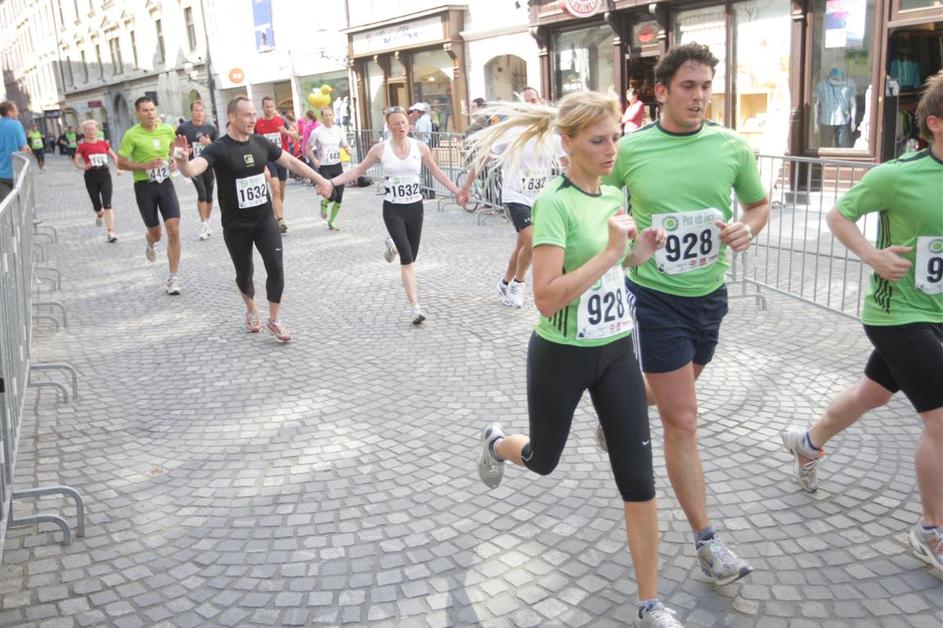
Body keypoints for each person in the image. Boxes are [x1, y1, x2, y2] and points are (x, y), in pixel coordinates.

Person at [473, 91, 684, 628]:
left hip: (615, 352)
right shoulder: (553, 204)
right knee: (543, 459)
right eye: (598, 141)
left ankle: (651, 603)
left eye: (616, 138)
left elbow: (616, 268)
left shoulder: (612, 194)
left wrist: (641, 251)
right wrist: (613, 252)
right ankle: (497, 444)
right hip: (561, 355)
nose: (612, 149)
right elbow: (546, 297)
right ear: (567, 144)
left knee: (639, 480)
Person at [601, 43, 770, 586]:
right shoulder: (632, 149)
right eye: (688, 87)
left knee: (670, 394)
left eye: (705, 87)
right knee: (683, 419)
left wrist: (747, 228)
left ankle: (620, 405)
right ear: (662, 92)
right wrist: (622, 235)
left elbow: (758, 205)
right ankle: (707, 542)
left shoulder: (730, 147)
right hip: (653, 297)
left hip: (709, 296)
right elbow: (600, 203)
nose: (699, 97)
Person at [782, 71, 943, 574]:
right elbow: (839, 215)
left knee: (872, 394)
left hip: (938, 312)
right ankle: (930, 531)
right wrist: (873, 255)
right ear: (935, 123)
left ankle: (807, 443)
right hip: (899, 313)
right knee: (941, 422)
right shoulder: (897, 175)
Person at [173, 96, 333, 343]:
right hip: (236, 224)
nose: (252, 119)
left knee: (276, 267)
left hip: (264, 219)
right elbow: (194, 168)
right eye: (247, 115)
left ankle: (274, 320)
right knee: (244, 272)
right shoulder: (218, 148)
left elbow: (290, 161)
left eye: (253, 114)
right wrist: (183, 162)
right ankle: (251, 309)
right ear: (232, 117)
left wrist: (320, 179)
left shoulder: (260, 143)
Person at [326, 106, 467, 325]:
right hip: (393, 209)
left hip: (415, 208)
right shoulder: (380, 149)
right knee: (407, 260)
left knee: (411, 254)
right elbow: (357, 171)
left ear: (408, 124)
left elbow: (437, 172)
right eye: (396, 124)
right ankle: (415, 308)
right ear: (389, 127)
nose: (401, 127)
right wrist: (331, 182)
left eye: (403, 122)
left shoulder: (420, 147)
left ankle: (393, 245)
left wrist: (457, 191)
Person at [461, 92, 566, 308]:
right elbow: (483, 160)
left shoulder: (551, 135)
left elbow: (568, 162)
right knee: (535, 243)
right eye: (526, 101)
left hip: (540, 200)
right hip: (515, 197)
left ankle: (505, 283)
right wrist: (465, 187)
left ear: (541, 103)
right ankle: (519, 283)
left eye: (533, 100)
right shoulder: (512, 134)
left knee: (522, 248)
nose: (530, 104)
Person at [117, 96, 184, 295]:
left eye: (152, 109)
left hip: (165, 183)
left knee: (174, 229)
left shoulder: (167, 129)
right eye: (145, 110)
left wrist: (172, 160)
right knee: (156, 233)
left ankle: (173, 277)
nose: (150, 114)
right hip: (144, 187)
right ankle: (150, 241)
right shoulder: (131, 135)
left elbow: (172, 149)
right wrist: (145, 165)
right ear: (138, 113)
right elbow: (121, 163)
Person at [254, 97, 299, 234]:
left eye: (271, 106)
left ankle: (276, 213)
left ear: (274, 107)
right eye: (267, 106)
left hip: (281, 159)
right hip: (267, 160)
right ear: (262, 107)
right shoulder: (258, 123)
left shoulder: (281, 121)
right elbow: (252, 140)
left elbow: (296, 135)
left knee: (281, 190)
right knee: (275, 188)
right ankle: (280, 219)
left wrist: (286, 132)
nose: (269, 109)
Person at [175, 101, 219, 240]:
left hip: (208, 165)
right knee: (202, 194)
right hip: (193, 166)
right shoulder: (183, 128)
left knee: (209, 196)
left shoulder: (211, 128)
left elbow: (218, 147)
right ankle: (204, 224)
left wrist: (208, 144)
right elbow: (176, 147)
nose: (199, 113)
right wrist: (183, 154)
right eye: (196, 110)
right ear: (191, 112)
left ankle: (207, 221)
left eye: (201, 110)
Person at [74, 119, 121, 242]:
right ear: (84, 132)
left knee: (107, 204)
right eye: (87, 130)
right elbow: (76, 162)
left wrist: (118, 168)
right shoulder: (82, 146)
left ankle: (110, 231)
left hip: (105, 175)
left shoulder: (103, 143)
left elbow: (114, 156)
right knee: (97, 205)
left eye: (93, 129)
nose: (90, 132)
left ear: (97, 130)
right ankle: (99, 213)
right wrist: (84, 166)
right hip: (91, 176)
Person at [306, 105, 351, 230]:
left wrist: (348, 150)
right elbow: (308, 149)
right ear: (322, 117)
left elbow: (345, 145)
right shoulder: (317, 132)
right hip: (324, 167)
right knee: (332, 195)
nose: (328, 117)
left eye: (330, 115)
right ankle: (324, 203)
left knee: (339, 197)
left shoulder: (339, 130)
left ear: (333, 116)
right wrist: (314, 160)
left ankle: (332, 221)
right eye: (326, 115)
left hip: (337, 166)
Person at [0, 101, 29, 201]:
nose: (17, 113)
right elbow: (23, 148)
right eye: (15, 110)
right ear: (9, 112)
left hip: (1, 175)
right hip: (15, 172)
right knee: (19, 203)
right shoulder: (16, 125)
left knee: (5, 205)